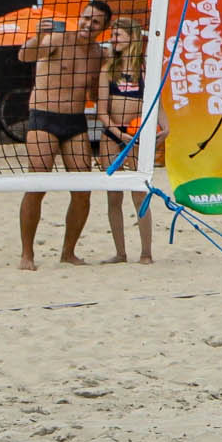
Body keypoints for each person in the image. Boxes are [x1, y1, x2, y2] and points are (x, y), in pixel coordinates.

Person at [15, 0, 113, 270]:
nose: (87, 24)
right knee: (37, 185)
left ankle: (68, 252)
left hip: (75, 121)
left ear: (103, 28)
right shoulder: (57, 39)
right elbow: (24, 55)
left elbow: (96, 93)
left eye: (95, 22)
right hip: (44, 118)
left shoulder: (99, 55)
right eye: (85, 18)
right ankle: (27, 255)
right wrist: (37, 37)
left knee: (83, 191)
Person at [92, 21, 154, 265]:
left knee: (140, 194)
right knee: (113, 196)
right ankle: (120, 252)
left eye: (117, 35)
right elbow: (102, 110)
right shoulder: (108, 69)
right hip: (113, 136)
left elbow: (154, 101)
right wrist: (118, 133)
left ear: (132, 37)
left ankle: (146, 252)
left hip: (138, 136)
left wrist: (165, 126)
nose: (113, 39)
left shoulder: (144, 68)